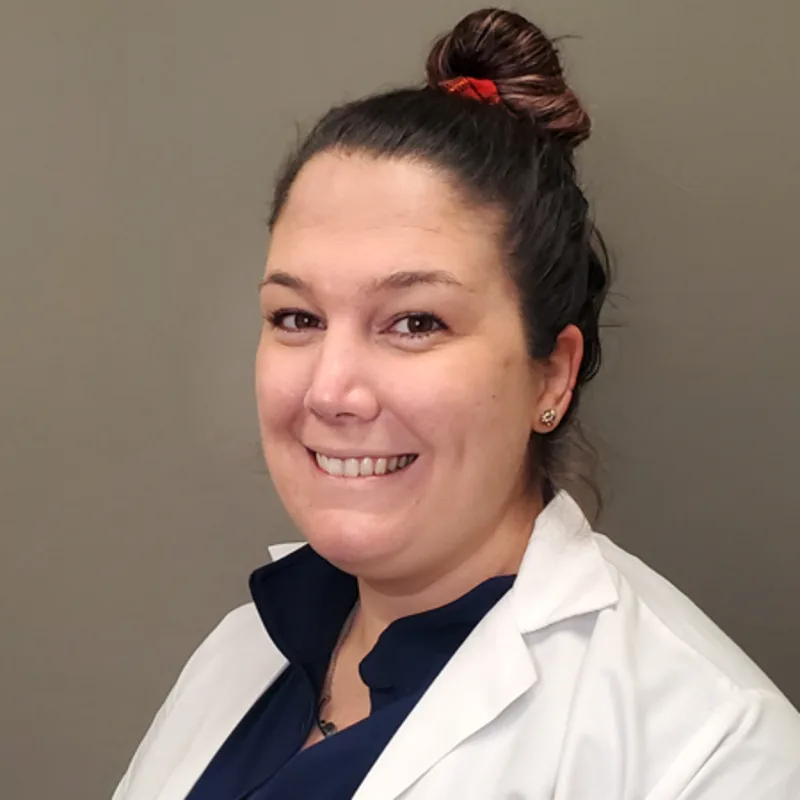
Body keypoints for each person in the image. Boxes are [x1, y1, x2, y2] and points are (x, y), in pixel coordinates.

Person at [111, 8, 800, 799]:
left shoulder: (712, 751)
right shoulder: (243, 653)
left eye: (415, 322)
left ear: (552, 377)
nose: (330, 391)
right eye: (297, 318)